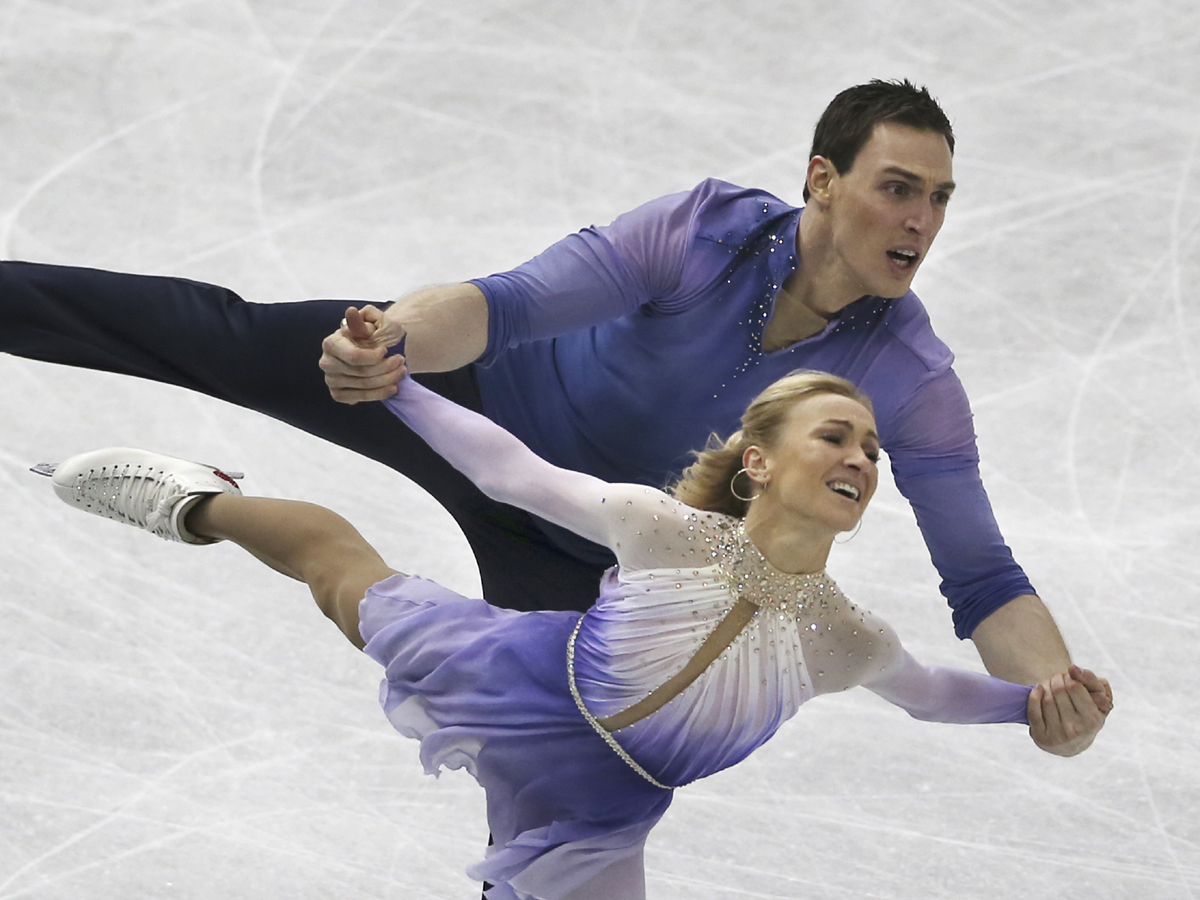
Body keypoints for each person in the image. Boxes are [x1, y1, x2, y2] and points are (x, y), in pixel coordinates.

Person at [0, 79, 1109, 754]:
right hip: (467, 409)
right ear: (822, 179)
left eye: (940, 198)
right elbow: (507, 304)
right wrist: (386, 340)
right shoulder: (703, 231)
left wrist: (1052, 691)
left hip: (603, 561)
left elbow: (984, 576)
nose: (923, 219)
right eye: (899, 187)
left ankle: (208, 508)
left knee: (531, 771)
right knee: (217, 333)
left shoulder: (910, 371)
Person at [36, 366, 1104, 900]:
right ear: (760, 463)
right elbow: (513, 473)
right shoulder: (667, 530)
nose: (863, 461)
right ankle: (194, 499)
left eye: (873, 449)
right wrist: (398, 384)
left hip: (605, 803)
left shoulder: (845, 637)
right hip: (523, 681)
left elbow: (930, 692)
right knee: (335, 567)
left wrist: (1037, 703)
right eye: (838, 436)